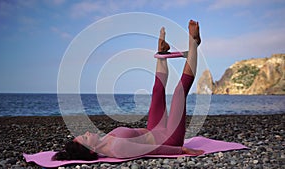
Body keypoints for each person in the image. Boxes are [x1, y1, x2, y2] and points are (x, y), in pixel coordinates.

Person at [53, 20, 204, 161]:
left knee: (157, 91)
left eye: (82, 135)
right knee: (179, 93)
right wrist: (181, 150)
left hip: (153, 129)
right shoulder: (117, 148)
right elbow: (152, 151)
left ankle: (161, 54)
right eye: (85, 138)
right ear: (92, 149)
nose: (86, 133)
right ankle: (193, 44)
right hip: (169, 139)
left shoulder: (104, 141)